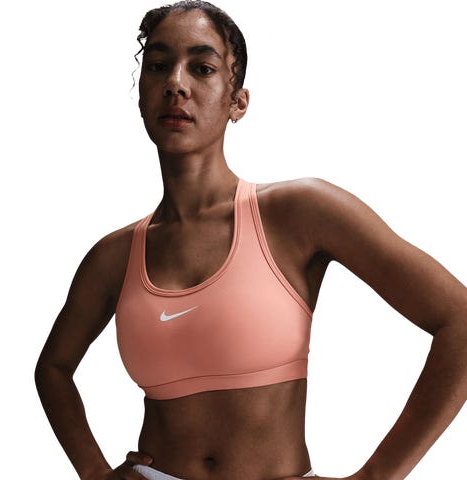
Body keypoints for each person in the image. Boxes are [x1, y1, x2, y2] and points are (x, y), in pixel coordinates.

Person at [34, 1, 467, 479]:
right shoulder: (114, 257)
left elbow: (460, 319)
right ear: (141, 95)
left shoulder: (300, 212)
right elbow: (53, 369)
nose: (176, 83)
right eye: (158, 66)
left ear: (237, 102)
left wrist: (377, 475)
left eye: (202, 68)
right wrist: (95, 472)